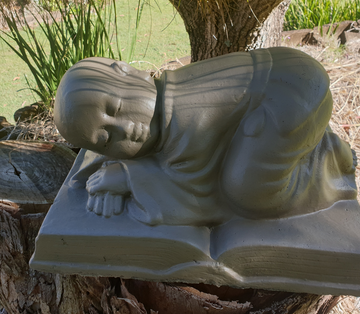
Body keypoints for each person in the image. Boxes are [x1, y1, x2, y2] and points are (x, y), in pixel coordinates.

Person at [54, 48, 357, 227]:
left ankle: (324, 164)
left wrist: (127, 178)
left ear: (129, 72)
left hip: (293, 99)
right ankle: (310, 148)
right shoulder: (166, 104)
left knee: (246, 193)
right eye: (107, 139)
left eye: (116, 107)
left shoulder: (185, 114)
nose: (123, 127)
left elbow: (197, 192)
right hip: (291, 79)